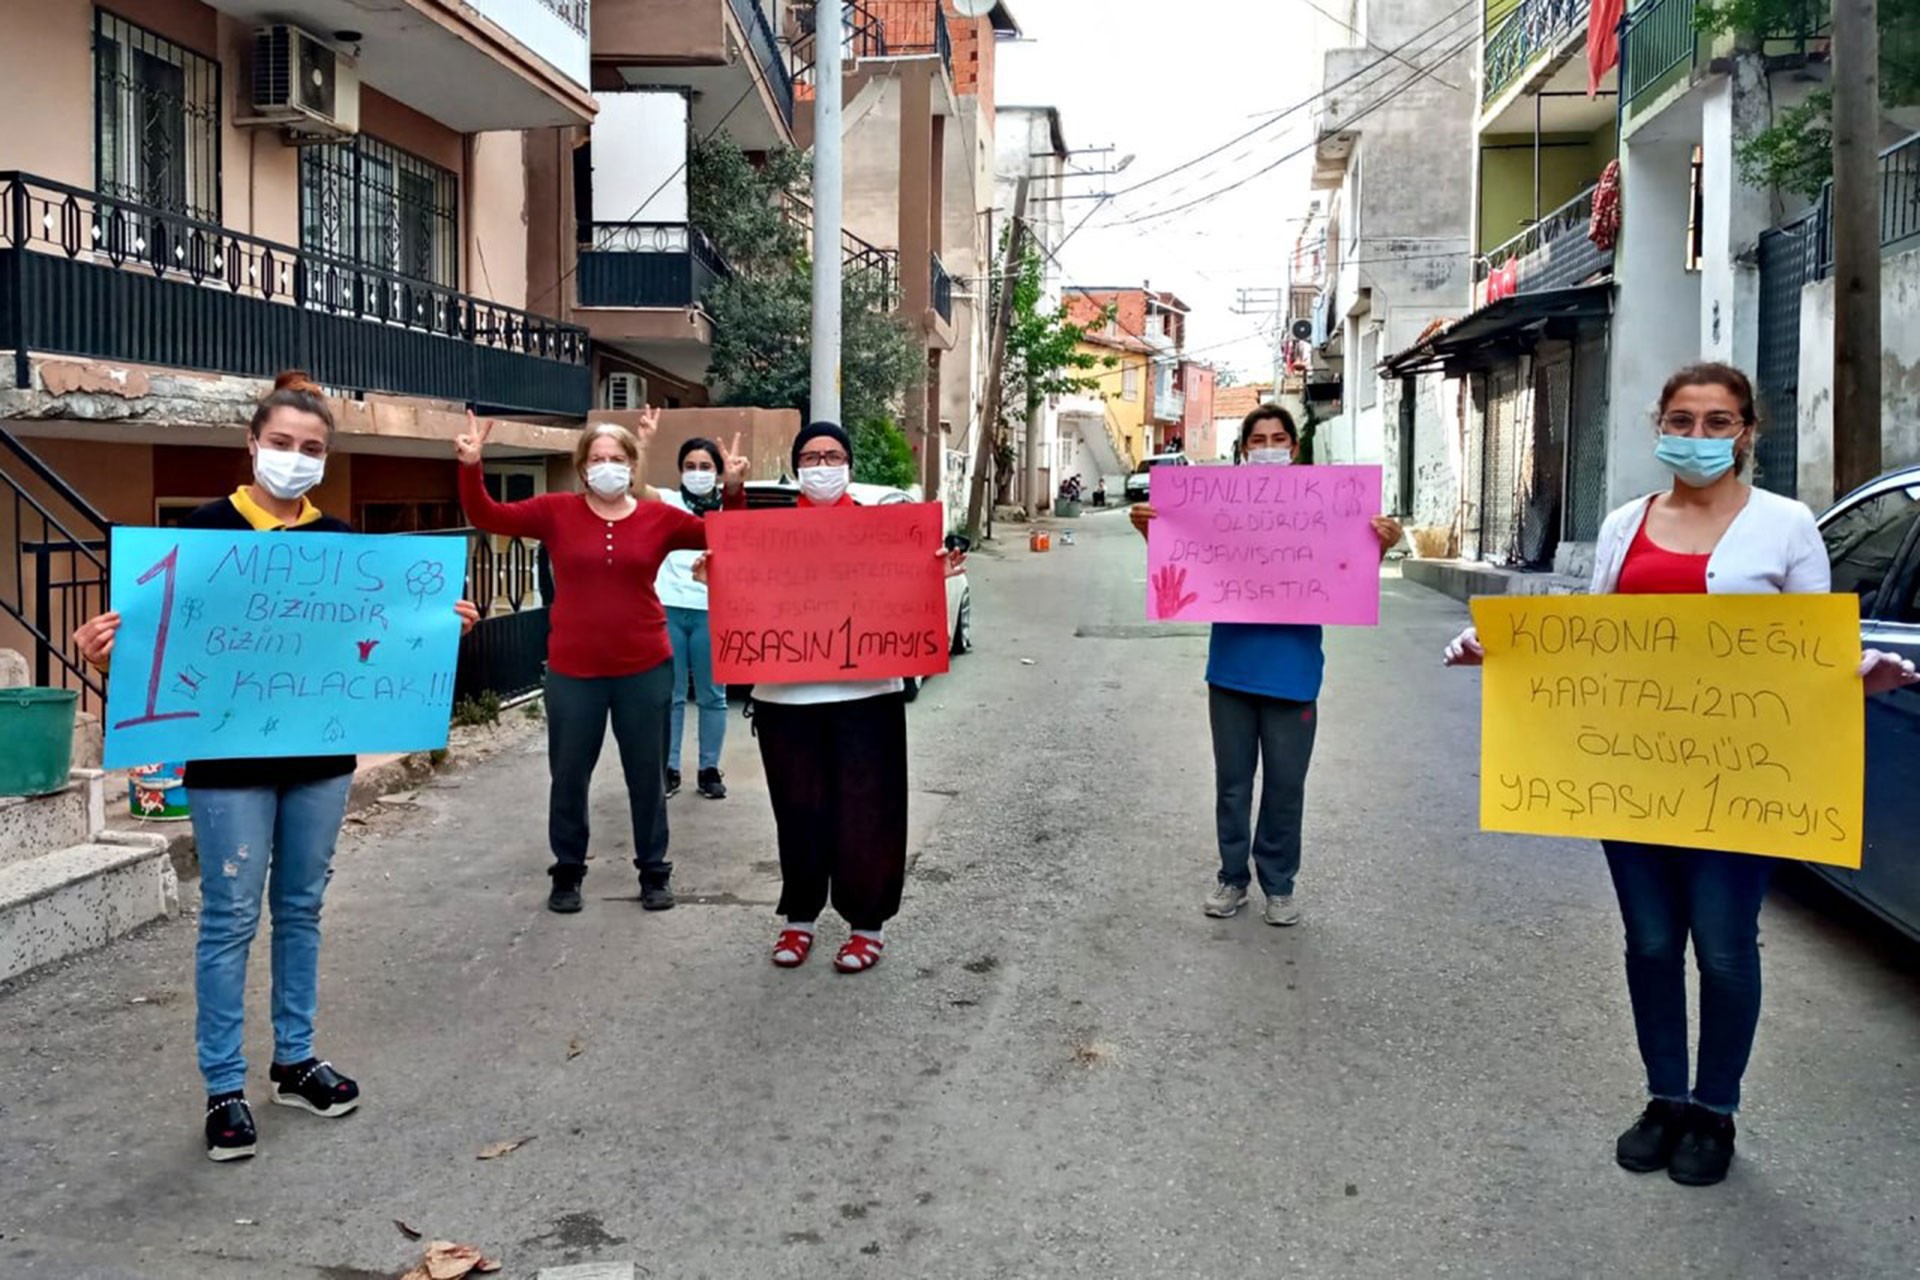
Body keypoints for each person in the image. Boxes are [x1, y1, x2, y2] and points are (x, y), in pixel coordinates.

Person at [1443, 362, 1918, 1187]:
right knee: (1653, 943)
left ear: (1746, 434)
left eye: (1718, 422)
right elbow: (1593, 644)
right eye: (1683, 421)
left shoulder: (1786, 525)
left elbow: (1812, 652)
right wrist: (1504, 652)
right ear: (1659, 426)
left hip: (1742, 780)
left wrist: (1860, 676)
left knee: (1726, 950)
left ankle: (1715, 1111)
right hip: (1632, 776)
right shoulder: (1628, 523)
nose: (1698, 437)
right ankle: (1665, 1097)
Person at [74, 371, 480, 1162]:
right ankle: (223, 1087)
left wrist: (440, 635)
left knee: (301, 909)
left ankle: (295, 1060)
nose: (296, 459)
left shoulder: (341, 548)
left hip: (320, 758)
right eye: (283, 444)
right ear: (252, 445)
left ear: (325, 459)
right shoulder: (195, 540)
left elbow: (377, 645)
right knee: (229, 918)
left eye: (312, 450)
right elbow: (153, 663)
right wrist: (107, 659)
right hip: (229, 766)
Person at [454, 412, 747, 914]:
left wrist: (734, 489)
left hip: (646, 666)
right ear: (582, 467)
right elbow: (488, 515)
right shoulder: (555, 512)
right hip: (574, 671)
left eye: (617, 459)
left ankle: (654, 870)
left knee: (647, 776)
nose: (607, 467)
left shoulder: (659, 518)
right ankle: (567, 870)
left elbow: (725, 535)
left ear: (632, 467)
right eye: (597, 459)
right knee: (569, 775)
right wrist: (471, 465)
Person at [1130, 404, 1401, 926]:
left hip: (1294, 673)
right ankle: (1232, 878)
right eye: (1258, 440)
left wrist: (1380, 548)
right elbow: (1186, 560)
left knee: (1285, 784)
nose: (1269, 447)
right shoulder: (1219, 506)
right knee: (1232, 782)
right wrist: (1153, 534)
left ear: (1294, 448)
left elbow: (1347, 574)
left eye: (1279, 438)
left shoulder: (1325, 512)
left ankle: (1279, 883)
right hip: (1231, 670)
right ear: (1244, 449)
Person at [723, 422, 963, 974]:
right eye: (811, 456)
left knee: (868, 811)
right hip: (786, 699)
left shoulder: (883, 531)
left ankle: (866, 925)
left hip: (866, 695)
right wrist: (725, 540)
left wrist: (936, 575)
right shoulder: (773, 532)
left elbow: (910, 585)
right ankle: (800, 917)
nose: (822, 465)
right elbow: (734, 554)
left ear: (849, 465)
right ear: (797, 466)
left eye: (833, 455)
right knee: (799, 811)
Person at [656, 438, 731, 801]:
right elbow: (637, 487)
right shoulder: (668, 503)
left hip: (712, 611)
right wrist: (640, 440)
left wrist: (734, 483)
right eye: (690, 466)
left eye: (706, 467)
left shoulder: (727, 506)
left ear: (718, 472)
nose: (697, 473)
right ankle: (669, 768)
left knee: (713, 695)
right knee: (669, 695)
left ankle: (709, 769)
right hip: (668, 608)